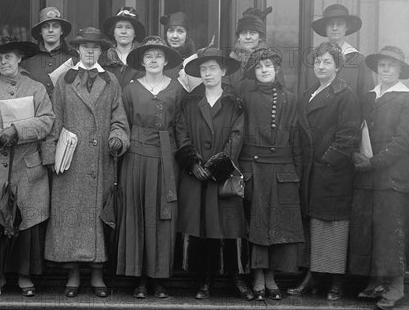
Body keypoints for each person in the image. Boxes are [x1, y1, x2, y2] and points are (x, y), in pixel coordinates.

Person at [41, 28, 130, 298]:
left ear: (101, 51)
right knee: (71, 217)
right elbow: (53, 118)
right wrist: (50, 157)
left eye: (94, 48)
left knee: (97, 216)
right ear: (77, 51)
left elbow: (119, 118)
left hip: (101, 160)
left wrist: (117, 138)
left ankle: (97, 272)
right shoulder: (64, 80)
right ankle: (73, 272)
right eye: (84, 48)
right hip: (70, 161)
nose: (90, 52)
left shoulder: (111, 80)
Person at [0, 37, 54, 297]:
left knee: (26, 220)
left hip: (27, 164)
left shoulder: (36, 88)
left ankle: (25, 276)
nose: (4, 62)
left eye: (8, 57)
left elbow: (47, 120)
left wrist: (17, 130)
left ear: (19, 58)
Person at [175, 47, 252, 300]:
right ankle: (204, 279)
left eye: (212, 69)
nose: (208, 74)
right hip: (196, 177)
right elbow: (182, 131)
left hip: (223, 175)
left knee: (230, 224)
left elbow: (237, 135)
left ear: (223, 71)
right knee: (202, 224)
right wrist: (192, 163)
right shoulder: (188, 101)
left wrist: (217, 165)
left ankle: (238, 277)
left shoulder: (235, 101)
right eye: (203, 69)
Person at [349, 46, 409, 310]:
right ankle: (375, 281)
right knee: (370, 228)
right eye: (382, 65)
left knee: (392, 231)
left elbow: (403, 140)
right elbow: (359, 129)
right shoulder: (368, 97)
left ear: (400, 69)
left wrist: (374, 162)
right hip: (367, 174)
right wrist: (358, 154)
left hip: (394, 175)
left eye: (392, 65)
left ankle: (397, 287)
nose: (386, 69)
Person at [291, 42, 360, 301]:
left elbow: (348, 136)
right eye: (317, 61)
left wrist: (326, 161)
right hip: (311, 171)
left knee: (334, 225)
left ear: (338, 66)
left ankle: (336, 281)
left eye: (327, 62)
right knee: (314, 223)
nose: (320, 66)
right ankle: (314, 273)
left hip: (333, 172)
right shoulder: (308, 93)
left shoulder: (345, 95)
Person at [116, 36, 183, 298]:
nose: (153, 60)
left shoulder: (177, 89)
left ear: (166, 61)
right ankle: (140, 278)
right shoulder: (130, 89)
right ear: (141, 61)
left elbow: (180, 125)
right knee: (137, 213)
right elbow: (123, 122)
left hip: (167, 158)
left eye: (158, 56)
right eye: (148, 56)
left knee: (163, 216)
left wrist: (179, 158)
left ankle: (159, 278)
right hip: (136, 156)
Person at [238, 48, 304, 301]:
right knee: (256, 222)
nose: (264, 70)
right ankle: (257, 276)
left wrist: (296, 169)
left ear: (277, 69)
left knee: (278, 222)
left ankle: (271, 276)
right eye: (259, 67)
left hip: (281, 168)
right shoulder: (245, 96)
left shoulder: (290, 98)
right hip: (253, 167)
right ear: (253, 73)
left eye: (269, 66)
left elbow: (296, 135)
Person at [305, 4, 374, 99]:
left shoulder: (359, 60)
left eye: (339, 24)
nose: (334, 28)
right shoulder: (312, 57)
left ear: (347, 27)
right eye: (330, 24)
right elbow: (305, 92)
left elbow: (367, 98)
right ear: (325, 28)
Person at [225, 7, 285, 94]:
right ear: (238, 37)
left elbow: (281, 92)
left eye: (252, 33)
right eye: (244, 33)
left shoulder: (271, 60)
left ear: (259, 37)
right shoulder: (230, 62)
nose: (248, 37)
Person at [20, 7, 78, 96]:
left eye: (55, 26)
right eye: (46, 27)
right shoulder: (27, 59)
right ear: (40, 31)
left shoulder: (74, 59)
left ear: (61, 31)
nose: (50, 30)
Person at [99, 7, 146, 88]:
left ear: (135, 33)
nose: (123, 31)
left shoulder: (144, 57)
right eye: (119, 27)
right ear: (113, 32)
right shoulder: (103, 58)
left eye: (128, 27)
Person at [161, 11, 196, 83]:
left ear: (186, 35)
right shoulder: (159, 57)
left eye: (180, 31)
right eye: (171, 31)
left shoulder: (193, 60)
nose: (174, 36)